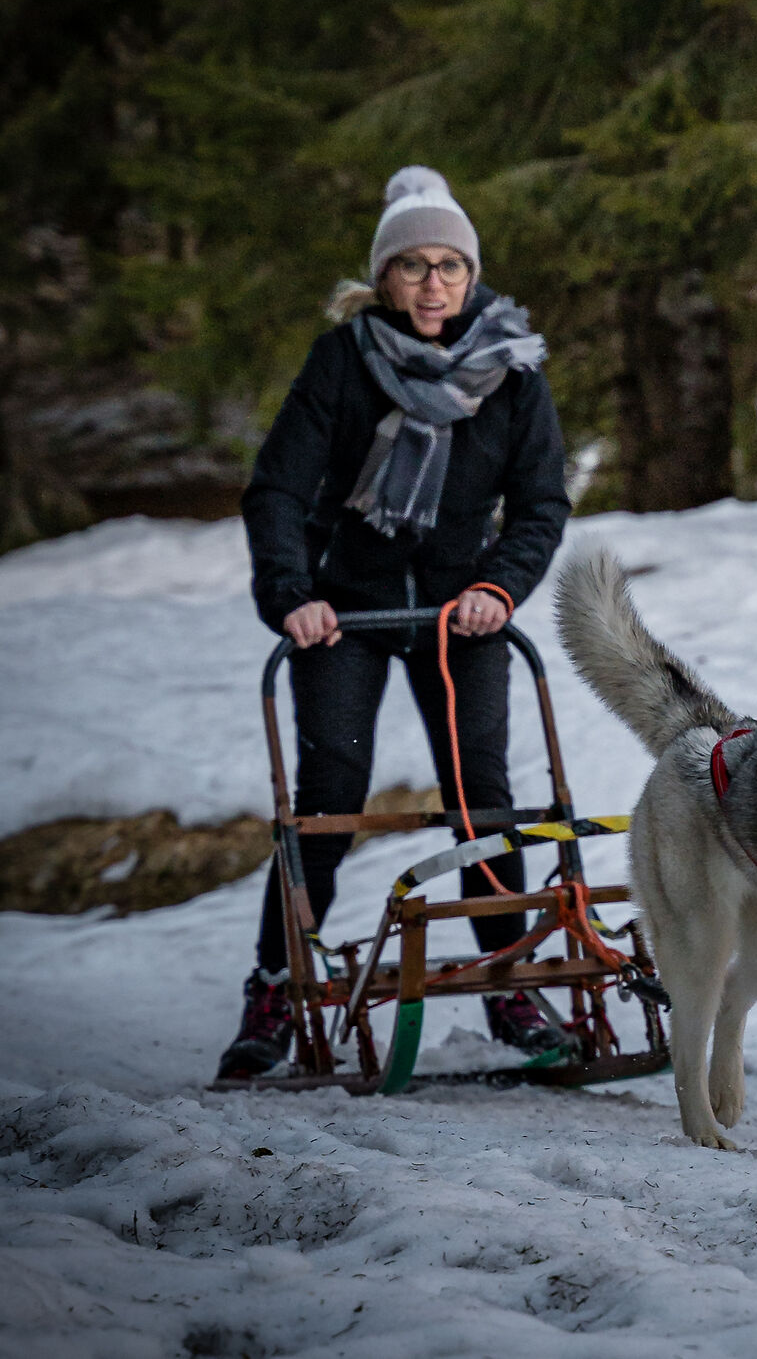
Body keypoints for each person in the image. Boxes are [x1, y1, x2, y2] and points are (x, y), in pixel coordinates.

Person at [219, 165, 575, 1079]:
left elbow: (540, 502)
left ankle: (507, 980)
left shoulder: (510, 367)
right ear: (384, 277)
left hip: (463, 608)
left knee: (482, 794)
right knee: (330, 795)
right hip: (352, 609)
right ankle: (276, 982)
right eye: (412, 266)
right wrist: (295, 594)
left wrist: (501, 585)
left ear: (470, 273)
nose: (432, 285)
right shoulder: (342, 361)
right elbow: (279, 491)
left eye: (449, 266)